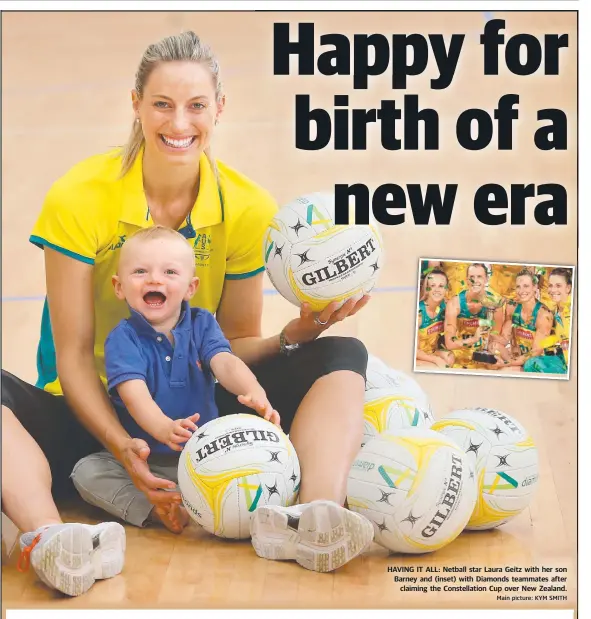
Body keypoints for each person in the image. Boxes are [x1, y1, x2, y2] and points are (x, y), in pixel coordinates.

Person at [1, 30, 373, 594]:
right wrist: (121, 445)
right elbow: (73, 354)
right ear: (136, 106)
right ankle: (50, 539)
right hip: (88, 411)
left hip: (195, 419)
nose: (180, 123)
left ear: (219, 108)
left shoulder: (247, 208)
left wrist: (294, 336)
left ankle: (315, 518)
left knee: (343, 354)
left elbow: (234, 343)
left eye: (196, 105)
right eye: (162, 105)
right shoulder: (79, 196)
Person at [71, 225, 281, 533]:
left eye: (170, 272)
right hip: (148, 463)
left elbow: (225, 363)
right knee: (86, 472)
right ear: (119, 286)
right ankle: (159, 508)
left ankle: (209, 499)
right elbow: (134, 395)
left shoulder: (202, 323)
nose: (155, 279)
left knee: (259, 456)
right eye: (140, 271)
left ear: (190, 287)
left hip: (208, 455)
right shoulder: (123, 339)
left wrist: (254, 390)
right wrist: (162, 428)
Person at [443, 263, 504, 369]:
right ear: (467, 280)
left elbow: (495, 337)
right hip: (459, 355)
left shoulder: (495, 304)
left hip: (482, 358)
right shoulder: (454, 303)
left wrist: (494, 355)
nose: (475, 281)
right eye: (472, 277)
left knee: (496, 366)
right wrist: (473, 339)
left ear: (486, 279)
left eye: (479, 277)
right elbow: (449, 343)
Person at [493, 270, 553, 372]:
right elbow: (504, 338)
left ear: (535, 287)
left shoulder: (543, 315)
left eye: (526, 286)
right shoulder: (512, 307)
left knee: (504, 371)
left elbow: (535, 351)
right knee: (493, 348)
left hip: (535, 362)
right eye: (518, 287)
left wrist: (507, 363)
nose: (521, 291)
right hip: (516, 357)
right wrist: (488, 331)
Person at [523, 268, 572, 374]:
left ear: (568, 288)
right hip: (562, 357)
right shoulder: (556, 310)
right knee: (530, 364)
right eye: (550, 285)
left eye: (558, 286)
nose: (553, 290)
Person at [415, 269, 454, 368]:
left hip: (432, 351)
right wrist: (436, 360)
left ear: (446, 289)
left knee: (450, 357)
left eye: (441, 286)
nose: (437, 289)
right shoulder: (418, 312)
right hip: (416, 355)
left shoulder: (445, 307)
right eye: (432, 286)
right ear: (427, 289)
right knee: (435, 367)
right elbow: (413, 350)